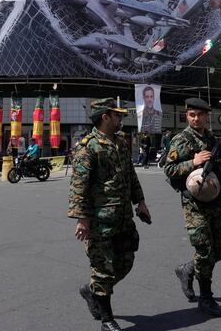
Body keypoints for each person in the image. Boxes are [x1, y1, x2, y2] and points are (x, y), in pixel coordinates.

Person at [69, 98, 151, 331]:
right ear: (105, 117)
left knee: (126, 261)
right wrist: (82, 219)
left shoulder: (120, 143)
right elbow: (78, 186)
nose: (121, 118)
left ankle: (92, 289)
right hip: (100, 222)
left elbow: (131, 175)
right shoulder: (88, 147)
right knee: (103, 269)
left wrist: (141, 201)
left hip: (123, 217)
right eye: (117, 115)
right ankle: (107, 320)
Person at [164, 98, 221, 317]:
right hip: (194, 205)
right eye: (191, 114)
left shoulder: (212, 138)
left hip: (215, 200)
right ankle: (206, 298)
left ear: (206, 116)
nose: (196, 118)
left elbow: (217, 167)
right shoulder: (180, 139)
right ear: (186, 115)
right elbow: (169, 170)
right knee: (204, 250)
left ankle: (187, 269)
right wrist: (192, 162)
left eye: (200, 115)